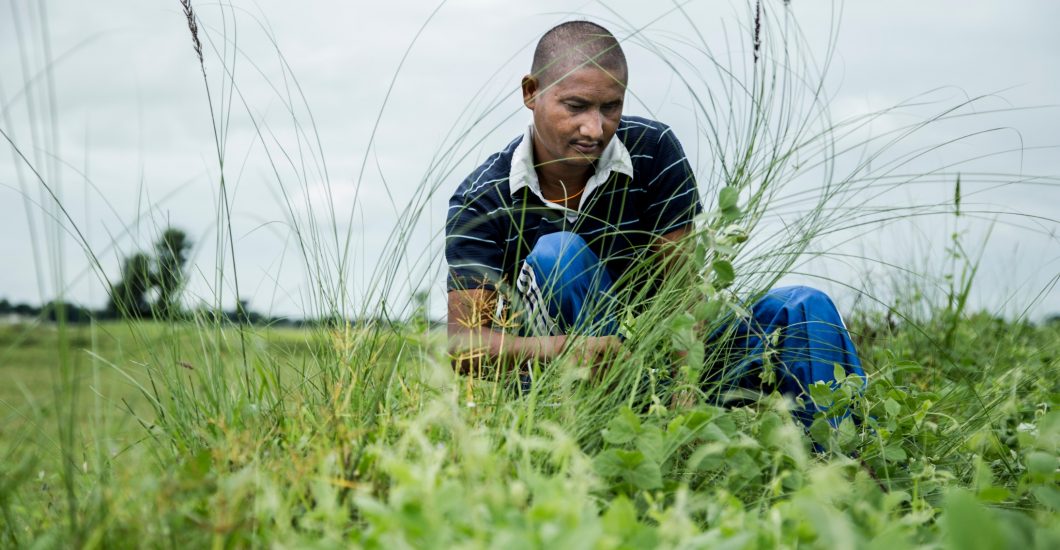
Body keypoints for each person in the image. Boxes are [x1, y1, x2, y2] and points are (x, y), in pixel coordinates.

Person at [444, 21, 864, 423]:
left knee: (805, 307)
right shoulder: (482, 198)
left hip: (666, 364)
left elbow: (682, 294)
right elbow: (465, 348)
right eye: (575, 107)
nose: (595, 128)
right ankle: (611, 425)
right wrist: (565, 349)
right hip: (565, 382)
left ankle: (840, 464)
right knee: (558, 253)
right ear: (531, 92)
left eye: (611, 107)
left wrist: (684, 400)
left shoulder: (654, 151)